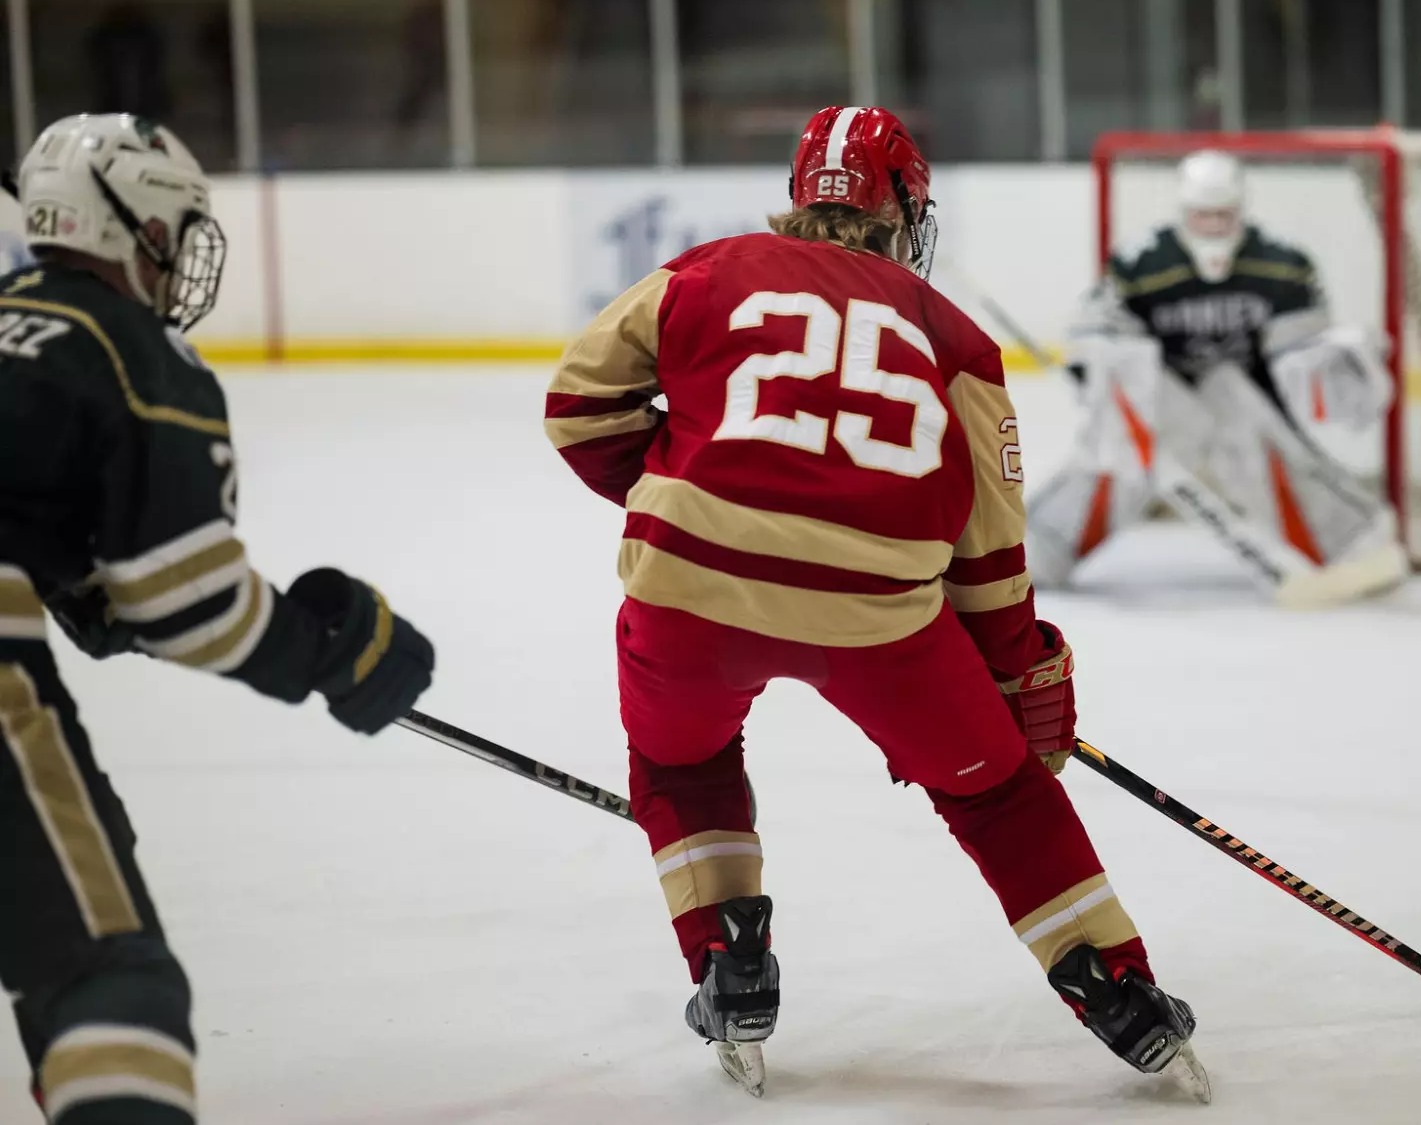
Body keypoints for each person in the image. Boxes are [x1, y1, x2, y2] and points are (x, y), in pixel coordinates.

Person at [543, 105, 1208, 1102]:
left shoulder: (702, 272)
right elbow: (988, 561)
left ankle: (730, 967)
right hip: (877, 615)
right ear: (903, 209)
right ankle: (1117, 988)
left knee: (682, 763)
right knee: (997, 793)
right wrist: (1020, 673)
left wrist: (689, 489)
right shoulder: (957, 340)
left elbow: (576, 405)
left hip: (686, 590)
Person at [0, 114, 436, 1125]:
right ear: (132, 227)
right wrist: (329, 651)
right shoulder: (129, 353)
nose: (175, 259)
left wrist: (82, 590)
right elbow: (192, 607)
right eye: (170, 229)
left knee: (67, 875)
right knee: (112, 983)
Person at [1025, 149, 1406, 604]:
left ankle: (1347, 544)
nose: (1214, 227)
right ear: (1184, 211)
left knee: (1258, 438)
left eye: (1223, 215)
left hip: (1246, 403)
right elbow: (1099, 329)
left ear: (1241, 210)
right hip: (1163, 400)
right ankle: (1040, 548)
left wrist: (1331, 361)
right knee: (1118, 454)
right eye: (1203, 216)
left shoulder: (1280, 265)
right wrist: (1101, 358)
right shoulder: (1142, 263)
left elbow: (1298, 352)